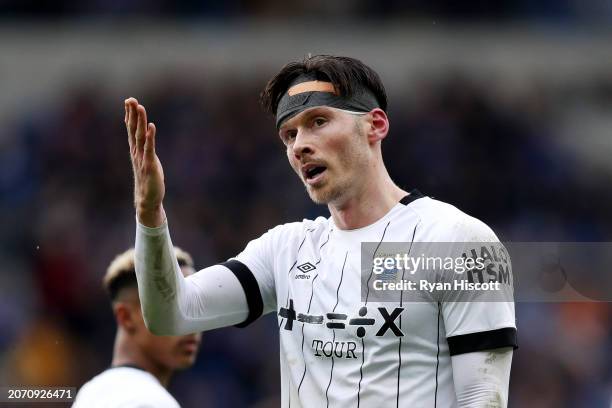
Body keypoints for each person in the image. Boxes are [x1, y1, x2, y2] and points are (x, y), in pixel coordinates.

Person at [125, 54, 517, 407]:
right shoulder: (286, 250)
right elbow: (171, 314)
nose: (300, 146)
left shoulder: (461, 241)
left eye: (318, 122)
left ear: (375, 125)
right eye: (289, 135)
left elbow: (484, 396)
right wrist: (150, 214)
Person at [73, 247, 201, 407]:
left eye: (195, 307)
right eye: (174, 307)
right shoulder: (148, 401)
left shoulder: (89, 394)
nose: (193, 324)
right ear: (126, 317)